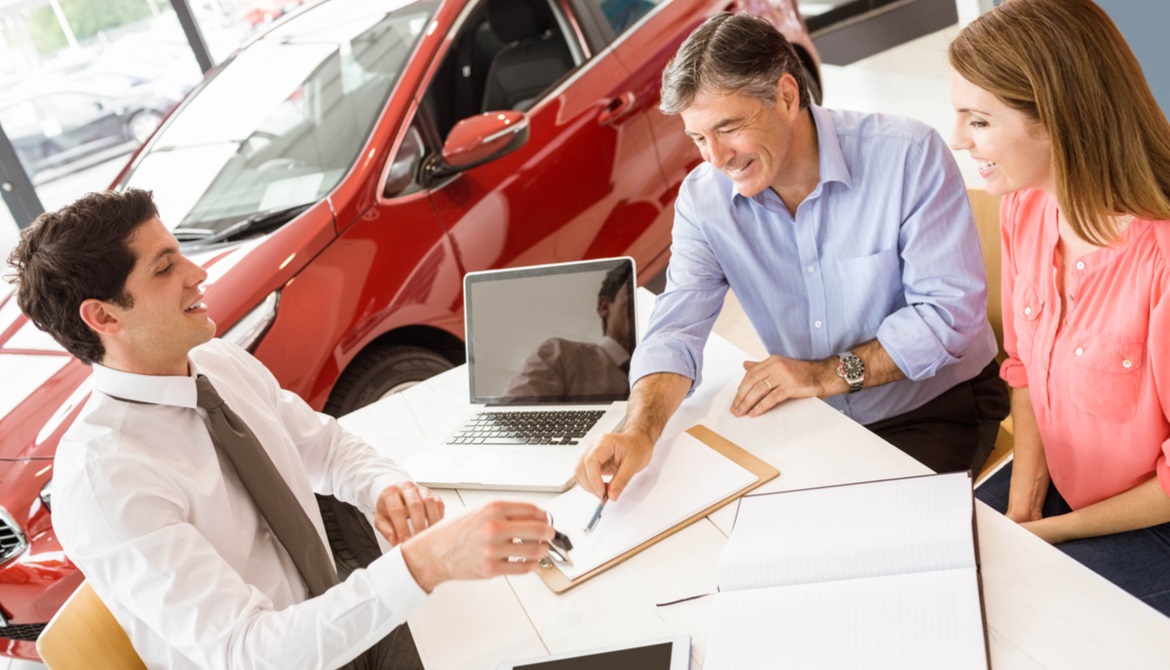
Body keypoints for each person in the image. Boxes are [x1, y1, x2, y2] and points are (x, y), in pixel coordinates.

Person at [5, 189, 555, 669]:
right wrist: (424, 564)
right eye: (165, 267)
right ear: (102, 317)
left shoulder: (218, 362)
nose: (198, 274)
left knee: (536, 631)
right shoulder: (106, 477)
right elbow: (252, 652)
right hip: (279, 658)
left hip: (334, 615)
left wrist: (383, 485)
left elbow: (324, 446)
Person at [576, 11, 1008, 501]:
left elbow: (948, 317)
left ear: (786, 96)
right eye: (698, 138)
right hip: (816, 412)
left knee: (868, 543)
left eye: (729, 128)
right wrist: (639, 431)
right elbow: (675, 329)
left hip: (935, 407)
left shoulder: (908, 155)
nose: (716, 158)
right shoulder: (704, 199)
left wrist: (822, 374)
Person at [949, 0, 1170, 616]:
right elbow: (1023, 368)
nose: (958, 139)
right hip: (1064, 495)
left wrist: (1046, 534)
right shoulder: (1027, 205)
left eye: (979, 121)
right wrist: (1023, 502)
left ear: (1054, 120)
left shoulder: (1162, 261)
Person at [503, 263, 633, 399]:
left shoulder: (651, 371)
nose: (637, 302)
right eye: (631, 292)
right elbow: (513, 412)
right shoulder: (560, 354)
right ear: (604, 306)